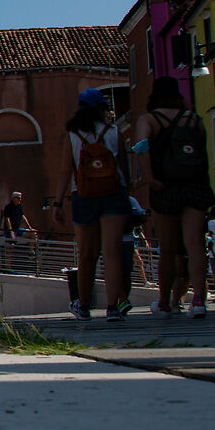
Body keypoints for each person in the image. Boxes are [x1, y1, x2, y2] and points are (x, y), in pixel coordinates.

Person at [134, 78, 215, 317]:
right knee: (195, 244)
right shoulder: (194, 119)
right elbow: (202, 151)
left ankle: (163, 302)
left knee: (168, 248)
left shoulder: (149, 120)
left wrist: (149, 178)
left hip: (165, 186)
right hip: (194, 185)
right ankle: (198, 300)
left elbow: (141, 146)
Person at [61, 89, 135, 320]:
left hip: (83, 195)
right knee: (112, 252)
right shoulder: (113, 132)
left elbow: (65, 170)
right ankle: (112, 307)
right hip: (114, 193)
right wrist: (128, 191)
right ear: (101, 109)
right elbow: (123, 166)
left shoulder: (73, 135)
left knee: (87, 255)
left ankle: (83, 306)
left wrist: (57, 202)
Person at [0, 191, 32, 272]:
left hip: (18, 229)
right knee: (10, 248)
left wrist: (30, 227)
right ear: (13, 198)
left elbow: (23, 217)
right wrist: (11, 232)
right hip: (10, 230)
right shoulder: (8, 207)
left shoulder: (19, 206)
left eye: (20, 198)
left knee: (33, 234)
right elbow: (7, 220)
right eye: (18, 198)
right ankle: (8, 267)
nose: (20, 200)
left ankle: (31, 252)